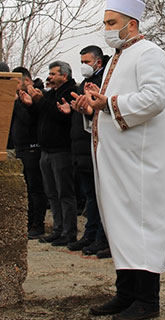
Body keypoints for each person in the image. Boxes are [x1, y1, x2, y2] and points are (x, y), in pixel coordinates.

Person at [73, 0, 165, 320]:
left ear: (132, 24)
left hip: (139, 161)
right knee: (120, 227)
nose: (106, 29)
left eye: (111, 23)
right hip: (116, 161)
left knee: (141, 228)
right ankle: (126, 294)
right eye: (104, 23)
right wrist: (91, 106)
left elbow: (155, 99)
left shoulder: (150, 52)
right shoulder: (116, 58)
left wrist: (109, 104)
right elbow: (109, 103)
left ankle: (147, 302)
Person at [19, 61, 78, 246]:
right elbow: (42, 115)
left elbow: (58, 115)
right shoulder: (51, 94)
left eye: (53, 74)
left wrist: (40, 101)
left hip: (62, 151)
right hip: (46, 151)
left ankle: (69, 231)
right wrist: (32, 104)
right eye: (50, 74)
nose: (49, 77)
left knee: (64, 193)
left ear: (64, 76)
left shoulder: (70, 93)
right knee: (51, 193)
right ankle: (58, 229)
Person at [67, 46, 110, 254]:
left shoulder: (106, 80)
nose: (84, 66)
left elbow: (104, 111)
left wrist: (90, 109)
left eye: (86, 62)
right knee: (90, 196)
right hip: (82, 150)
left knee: (101, 197)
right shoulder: (85, 83)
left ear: (98, 62)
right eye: (82, 62)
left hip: (99, 147)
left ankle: (103, 238)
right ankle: (90, 235)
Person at [10, 66, 46, 239]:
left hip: (33, 148)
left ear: (27, 81)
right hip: (21, 148)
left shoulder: (35, 97)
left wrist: (18, 103)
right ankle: (29, 221)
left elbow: (29, 120)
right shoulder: (17, 99)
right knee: (27, 189)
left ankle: (37, 224)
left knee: (35, 189)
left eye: (16, 82)